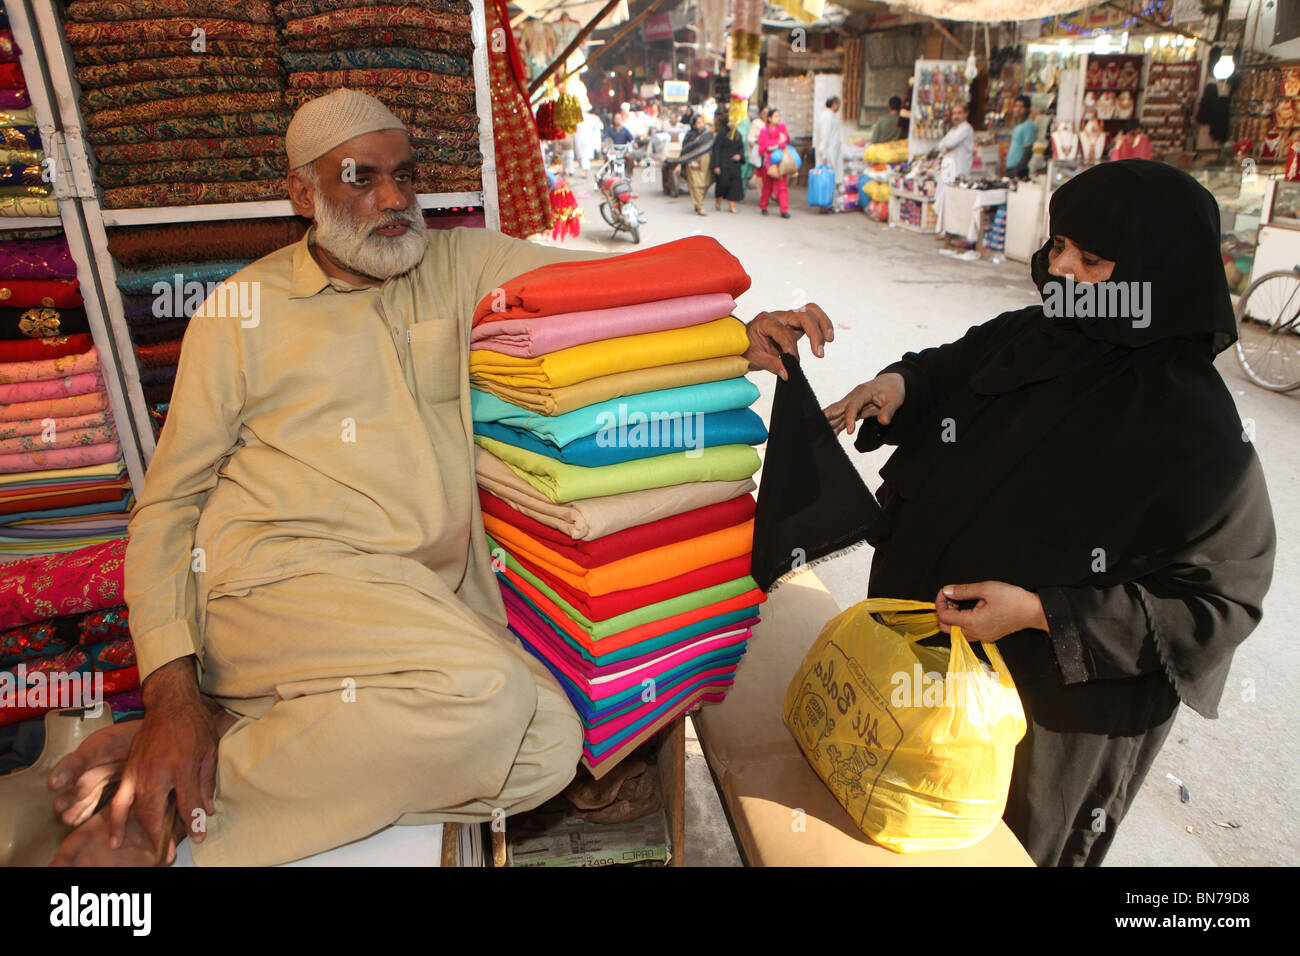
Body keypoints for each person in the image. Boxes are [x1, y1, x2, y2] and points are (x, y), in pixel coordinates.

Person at [45, 89, 826, 867]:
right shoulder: (239, 313)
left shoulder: (460, 264)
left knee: (551, 745)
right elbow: (167, 506)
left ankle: (223, 746)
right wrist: (168, 689)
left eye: (404, 176)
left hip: (413, 599)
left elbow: (614, 286)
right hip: (271, 581)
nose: (392, 199)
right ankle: (161, 823)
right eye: (360, 178)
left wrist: (729, 336)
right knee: (490, 698)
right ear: (301, 193)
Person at [823, 160, 1275, 867]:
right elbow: (950, 368)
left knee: (994, 849)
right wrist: (899, 384)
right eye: (1058, 245)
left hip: (1045, 723)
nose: (1058, 267)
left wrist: (1043, 612)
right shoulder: (1037, 332)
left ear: (1153, 274)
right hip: (922, 676)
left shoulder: (1195, 427)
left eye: (1090, 259)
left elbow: (1218, 602)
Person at [758, 107, 793, 218]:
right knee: (767, 186)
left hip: (780, 161)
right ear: (769, 118)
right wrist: (776, 144)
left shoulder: (782, 128)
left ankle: (784, 209)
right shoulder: (764, 131)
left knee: (782, 186)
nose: (778, 118)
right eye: (776, 116)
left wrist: (775, 145)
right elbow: (763, 148)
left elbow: (785, 140)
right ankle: (764, 206)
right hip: (768, 163)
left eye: (779, 116)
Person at [679, 111, 715, 216]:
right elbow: (686, 150)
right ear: (693, 124)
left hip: (706, 162)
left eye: (702, 122)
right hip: (693, 162)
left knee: (705, 183)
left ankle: (698, 203)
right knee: (696, 184)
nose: (700, 125)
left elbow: (711, 147)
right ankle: (700, 206)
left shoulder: (708, 134)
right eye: (698, 123)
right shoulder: (690, 135)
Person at [813, 95, 844, 208]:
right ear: (834, 104)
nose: (839, 106)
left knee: (829, 180)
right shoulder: (827, 117)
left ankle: (828, 204)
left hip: (831, 152)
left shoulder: (830, 116)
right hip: (828, 154)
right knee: (826, 181)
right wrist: (824, 154)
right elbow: (824, 137)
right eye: (838, 104)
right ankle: (824, 204)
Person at [712, 114, 745, 213]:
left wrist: (740, 156)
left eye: (734, 121)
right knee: (723, 184)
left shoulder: (738, 134)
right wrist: (716, 165)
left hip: (734, 165)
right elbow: (716, 150)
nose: (732, 124)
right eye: (730, 121)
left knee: (734, 186)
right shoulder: (721, 134)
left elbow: (741, 149)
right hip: (723, 164)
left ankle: (732, 206)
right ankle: (718, 201)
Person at [937, 101, 974, 181]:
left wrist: (947, 147)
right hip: (950, 169)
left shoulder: (966, 128)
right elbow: (940, 146)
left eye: (959, 113)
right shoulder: (953, 130)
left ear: (966, 114)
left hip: (960, 170)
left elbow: (950, 144)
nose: (956, 116)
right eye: (954, 113)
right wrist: (946, 147)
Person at [1005, 94, 1036, 179]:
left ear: (1027, 109)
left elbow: (1028, 150)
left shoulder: (1028, 126)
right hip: (1010, 167)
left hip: (1018, 169)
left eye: (1021, 107)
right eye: (1016, 106)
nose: (1017, 110)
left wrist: (1019, 170)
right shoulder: (1018, 125)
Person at [747, 106, 769, 183]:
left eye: (768, 113)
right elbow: (750, 138)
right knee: (760, 172)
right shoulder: (756, 123)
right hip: (759, 152)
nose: (766, 115)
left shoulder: (772, 124)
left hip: (769, 153)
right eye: (764, 113)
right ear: (760, 113)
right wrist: (759, 140)